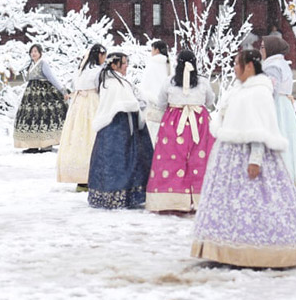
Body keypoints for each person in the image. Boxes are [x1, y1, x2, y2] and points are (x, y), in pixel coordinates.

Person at [192, 50, 296, 268]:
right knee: (231, 202)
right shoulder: (241, 90)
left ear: (249, 66)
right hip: (231, 155)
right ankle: (225, 246)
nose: (234, 68)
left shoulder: (259, 92)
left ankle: (256, 250)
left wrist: (255, 159)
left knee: (255, 202)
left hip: (248, 156)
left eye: (237, 64)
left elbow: (258, 128)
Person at [146, 50, 215, 212]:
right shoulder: (203, 82)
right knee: (199, 160)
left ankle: (170, 200)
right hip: (199, 123)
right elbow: (210, 101)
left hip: (174, 123)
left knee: (172, 160)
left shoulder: (169, 81)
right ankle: (199, 198)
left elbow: (162, 102)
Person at [88, 53, 153, 209]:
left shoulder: (119, 81)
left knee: (127, 160)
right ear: (114, 65)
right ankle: (116, 195)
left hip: (124, 126)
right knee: (118, 161)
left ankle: (128, 194)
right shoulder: (112, 83)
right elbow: (121, 102)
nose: (126, 66)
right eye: (124, 63)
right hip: (116, 127)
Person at [56, 44, 107, 190]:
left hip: (77, 105)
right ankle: (92, 174)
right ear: (99, 55)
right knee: (91, 136)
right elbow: (101, 88)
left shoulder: (80, 71)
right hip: (92, 102)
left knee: (78, 136)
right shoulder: (98, 71)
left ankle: (79, 174)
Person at [261, 36, 296, 196]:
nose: (261, 50)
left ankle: (278, 185)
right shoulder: (281, 63)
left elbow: (271, 89)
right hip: (284, 106)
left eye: (263, 47)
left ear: (270, 49)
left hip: (277, 107)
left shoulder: (272, 66)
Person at [13, 44, 68, 152]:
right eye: (32, 52)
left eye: (35, 51)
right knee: (32, 118)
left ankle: (46, 144)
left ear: (40, 53)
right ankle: (33, 144)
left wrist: (62, 90)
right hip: (31, 96)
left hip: (43, 94)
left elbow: (51, 77)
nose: (33, 54)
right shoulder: (31, 64)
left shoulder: (43, 63)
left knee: (44, 117)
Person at [139, 40, 172, 143]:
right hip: (165, 106)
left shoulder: (152, 64)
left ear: (156, 50)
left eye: (152, 49)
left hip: (152, 105)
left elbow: (145, 85)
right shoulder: (169, 64)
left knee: (151, 136)